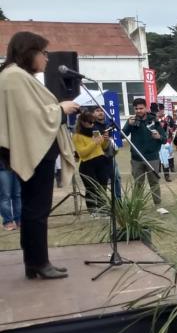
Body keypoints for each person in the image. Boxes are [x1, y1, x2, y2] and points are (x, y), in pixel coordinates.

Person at [0, 31, 80, 279]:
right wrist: (60, 108)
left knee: (35, 208)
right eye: (43, 53)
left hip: (39, 151)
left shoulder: (19, 76)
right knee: (36, 208)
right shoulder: (13, 77)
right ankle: (38, 262)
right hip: (34, 152)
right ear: (29, 52)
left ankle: (35, 260)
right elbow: (29, 117)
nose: (46, 59)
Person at [123, 98, 167, 211]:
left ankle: (158, 205)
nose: (138, 111)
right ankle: (138, 206)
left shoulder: (154, 120)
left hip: (152, 157)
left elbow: (165, 139)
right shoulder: (132, 121)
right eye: (136, 108)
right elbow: (121, 136)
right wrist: (128, 125)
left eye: (141, 108)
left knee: (154, 182)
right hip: (136, 158)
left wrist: (159, 137)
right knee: (138, 183)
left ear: (146, 108)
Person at [72, 109, 112, 214]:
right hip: (87, 164)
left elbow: (103, 146)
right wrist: (93, 143)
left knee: (102, 187)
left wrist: (106, 140)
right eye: (90, 122)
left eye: (93, 122)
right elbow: (82, 153)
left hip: (101, 162)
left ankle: (103, 209)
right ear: (83, 122)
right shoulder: (77, 136)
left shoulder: (95, 132)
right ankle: (92, 210)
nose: (92, 124)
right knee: (91, 189)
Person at [0, 158, 21, 231]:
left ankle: (20, 220)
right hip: (2, 167)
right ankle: (8, 221)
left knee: (18, 195)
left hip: (16, 167)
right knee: (5, 196)